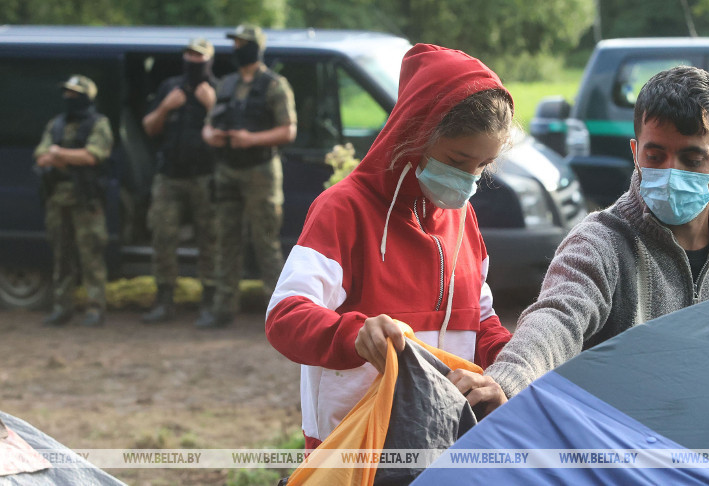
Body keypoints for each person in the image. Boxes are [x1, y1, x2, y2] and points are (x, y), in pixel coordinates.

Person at [450, 65, 709, 410]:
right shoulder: (601, 242)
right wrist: (508, 379)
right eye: (655, 156)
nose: (671, 173)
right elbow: (558, 317)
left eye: (692, 159)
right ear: (635, 152)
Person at [264, 44, 514, 450]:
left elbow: (482, 322)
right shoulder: (344, 209)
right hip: (353, 448)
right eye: (457, 160)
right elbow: (284, 317)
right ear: (415, 134)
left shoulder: (462, 218)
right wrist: (354, 334)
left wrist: (504, 372)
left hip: (445, 446)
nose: (468, 180)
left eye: (482, 166)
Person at [199, 24, 297, 328]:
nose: (236, 49)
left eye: (242, 44)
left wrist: (251, 139)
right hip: (228, 169)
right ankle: (223, 308)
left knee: (265, 241)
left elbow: (289, 130)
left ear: (255, 47)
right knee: (225, 238)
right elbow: (208, 124)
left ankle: (279, 314)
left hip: (260, 172)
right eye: (235, 43)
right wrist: (211, 135)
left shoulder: (274, 85)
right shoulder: (226, 83)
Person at [140, 38, 218, 325]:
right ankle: (164, 300)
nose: (194, 61)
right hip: (169, 175)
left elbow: (228, 135)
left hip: (205, 176)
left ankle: (209, 302)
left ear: (209, 60)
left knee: (210, 239)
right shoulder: (169, 88)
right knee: (162, 236)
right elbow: (149, 127)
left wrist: (211, 106)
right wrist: (165, 107)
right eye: (190, 55)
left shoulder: (218, 90)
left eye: (200, 57)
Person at [34, 75, 113, 327]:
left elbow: (92, 156)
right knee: (61, 255)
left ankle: (95, 308)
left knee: (91, 255)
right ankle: (62, 307)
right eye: (67, 93)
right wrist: (67, 157)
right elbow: (41, 157)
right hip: (58, 198)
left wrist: (59, 154)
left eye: (75, 94)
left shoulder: (99, 124)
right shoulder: (55, 124)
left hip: (85, 199)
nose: (69, 98)